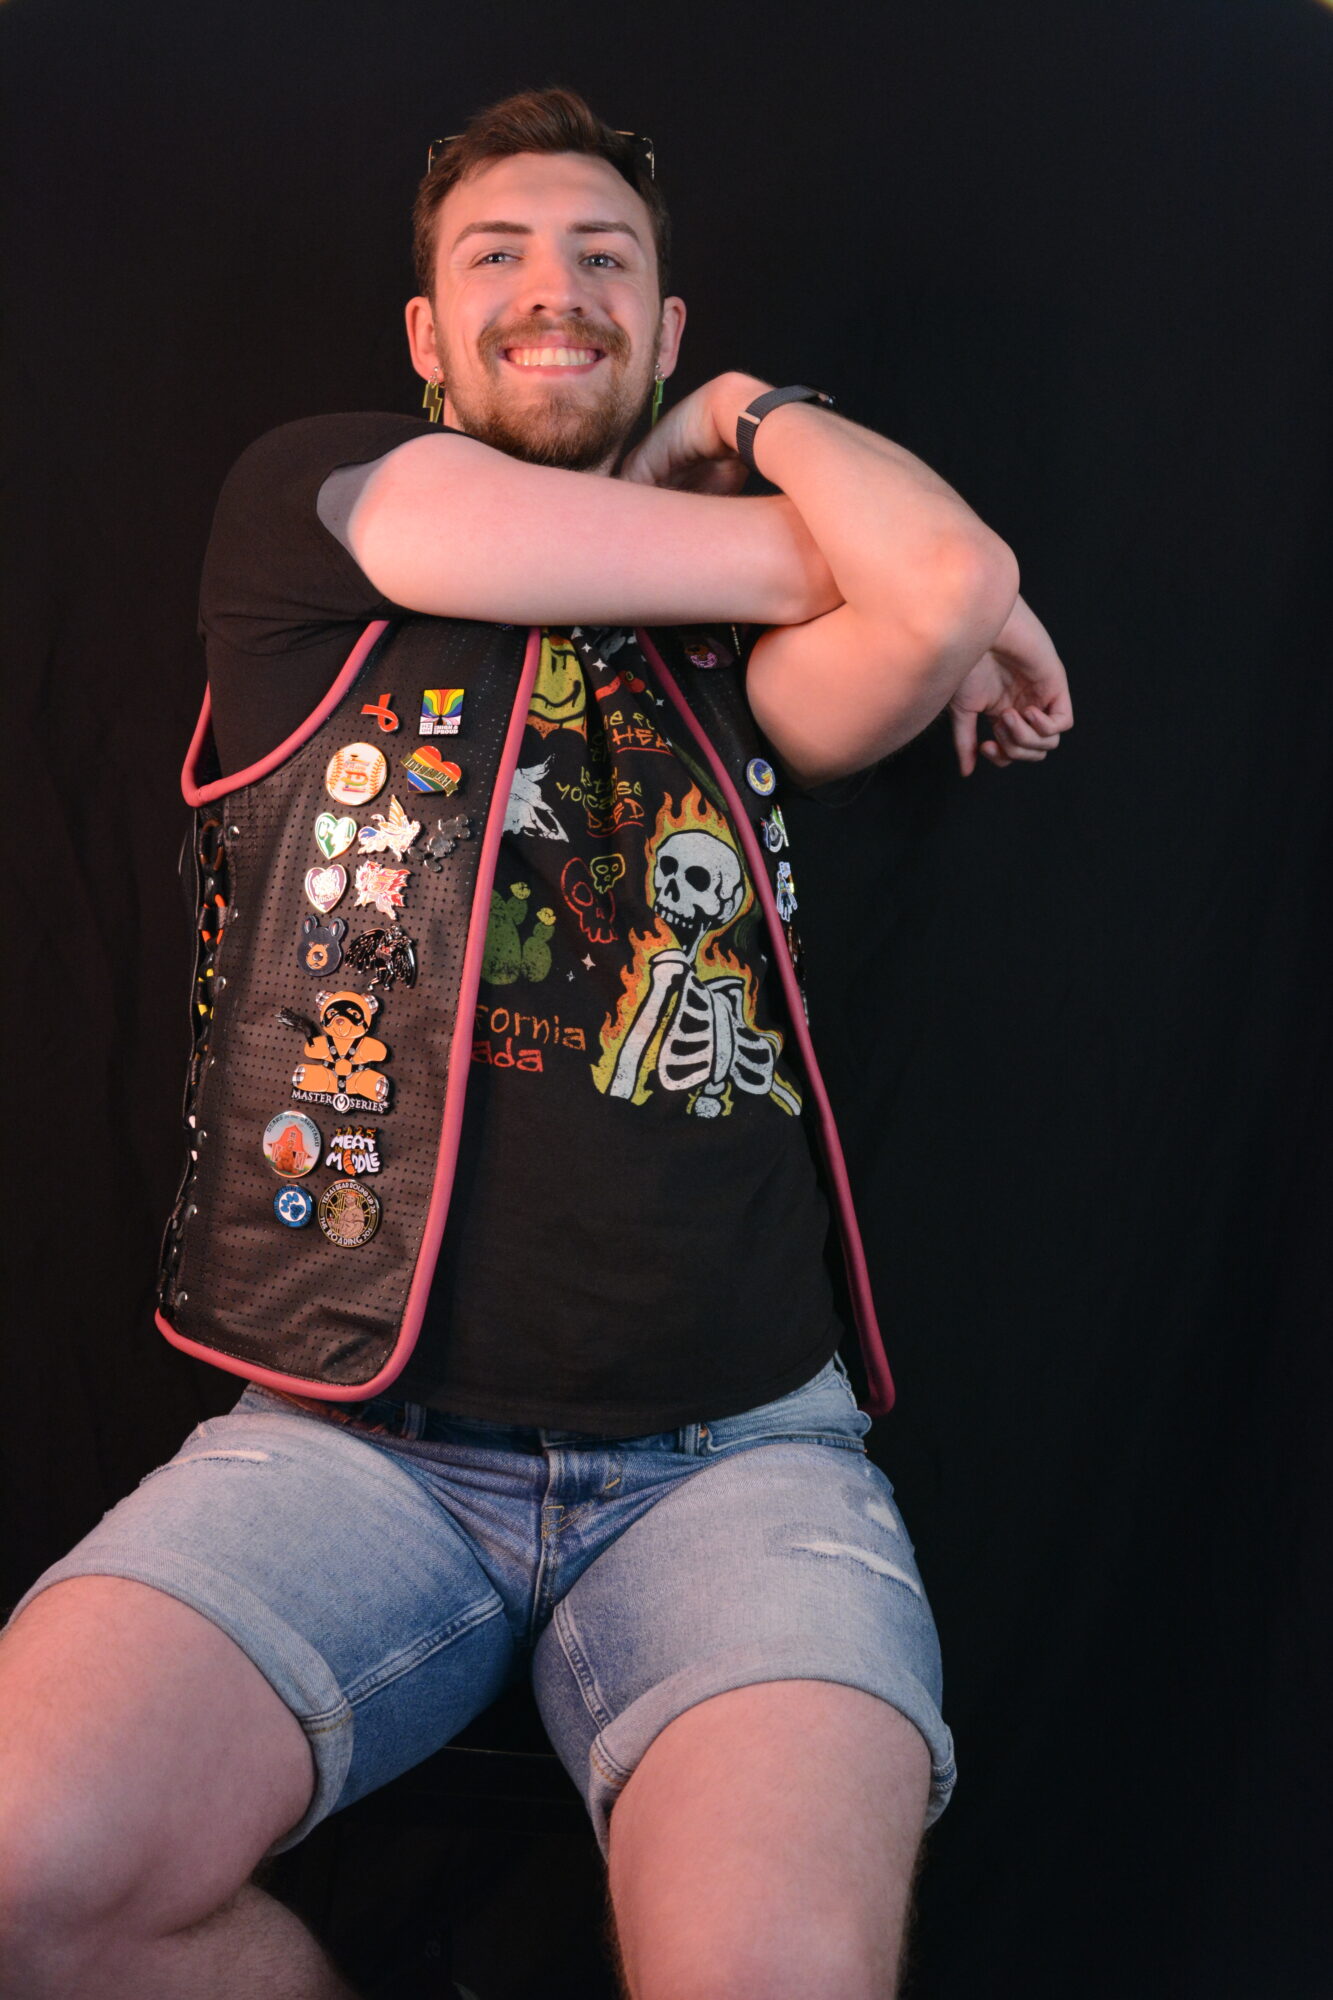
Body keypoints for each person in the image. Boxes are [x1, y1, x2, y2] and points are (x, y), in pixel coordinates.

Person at [0, 86, 1071, 2000]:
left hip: (735, 1460)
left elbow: (938, 585)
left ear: (660, 325)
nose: (551, 289)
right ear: (427, 333)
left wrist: (744, 411)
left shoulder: (735, 674)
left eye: (605, 259)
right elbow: (891, 578)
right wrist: (817, 546)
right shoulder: (316, 504)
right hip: (354, 1443)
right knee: (27, 1869)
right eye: (496, 254)